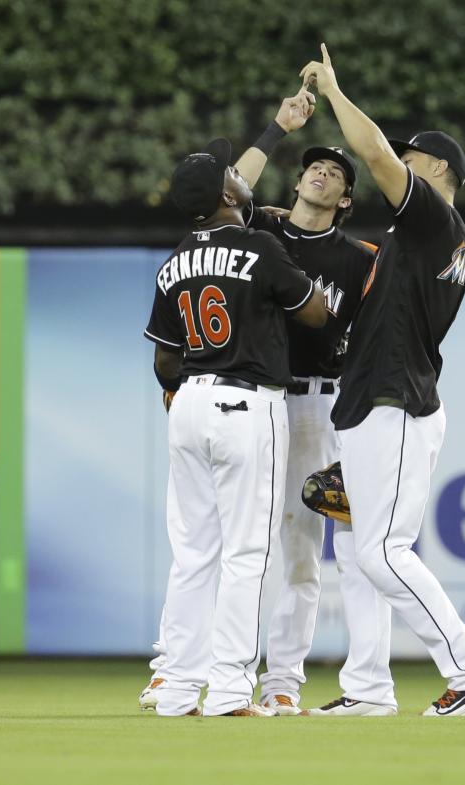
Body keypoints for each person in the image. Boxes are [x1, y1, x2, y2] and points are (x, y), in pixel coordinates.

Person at [140, 90, 398, 717]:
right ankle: (208, 679)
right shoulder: (263, 233)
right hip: (258, 404)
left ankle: (276, 679)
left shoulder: (359, 257)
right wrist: (277, 130)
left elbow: (217, 200)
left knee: (294, 549)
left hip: (308, 405)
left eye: (337, 171)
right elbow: (225, 197)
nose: (322, 170)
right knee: (243, 550)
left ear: (346, 198)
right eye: (315, 163)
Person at [299, 45, 465, 717]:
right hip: (379, 400)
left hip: (395, 401)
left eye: (412, 156)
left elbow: (379, 160)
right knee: (362, 551)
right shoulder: (427, 235)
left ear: (438, 167)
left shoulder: (433, 218)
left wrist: (334, 91)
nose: (398, 162)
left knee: (384, 552)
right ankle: (367, 689)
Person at [143, 136, 326, 717]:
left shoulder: (175, 261)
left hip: (190, 401)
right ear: (227, 193)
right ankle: (228, 690)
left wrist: (178, 393)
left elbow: (164, 359)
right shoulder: (261, 246)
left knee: (193, 553)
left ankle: (174, 688)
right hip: (247, 405)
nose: (243, 175)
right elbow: (316, 314)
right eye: (233, 172)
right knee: (248, 554)